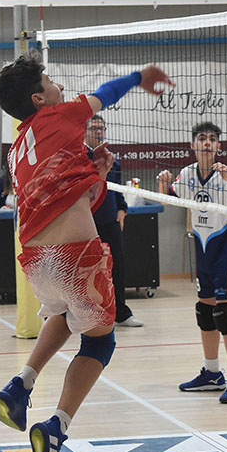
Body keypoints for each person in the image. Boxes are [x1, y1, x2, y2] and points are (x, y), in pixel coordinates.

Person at [0, 52, 171, 452]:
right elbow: (106, 94)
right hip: (74, 254)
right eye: (50, 81)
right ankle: (56, 428)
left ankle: (20, 385)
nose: (60, 86)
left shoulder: (18, 149)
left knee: (64, 313)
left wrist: (95, 173)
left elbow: (74, 200)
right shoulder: (61, 115)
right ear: (39, 98)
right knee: (101, 342)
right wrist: (139, 75)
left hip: (36, 260)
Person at [156, 122, 227, 404]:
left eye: (212, 139)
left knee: (223, 314)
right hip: (202, 247)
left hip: (226, 245)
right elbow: (171, 201)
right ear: (193, 145)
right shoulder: (187, 173)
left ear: (218, 147)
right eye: (202, 138)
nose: (207, 143)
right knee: (204, 311)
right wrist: (164, 186)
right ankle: (212, 373)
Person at [85, 114, 142, 327]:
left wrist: (122, 209)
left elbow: (117, 190)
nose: (98, 132)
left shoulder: (112, 160)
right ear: (84, 132)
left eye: (101, 128)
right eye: (94, 128)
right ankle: (85, 315)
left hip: (110, 220)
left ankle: (121, 313)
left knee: (116, 265)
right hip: (86, 221)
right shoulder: (79, 159)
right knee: (87, 269)